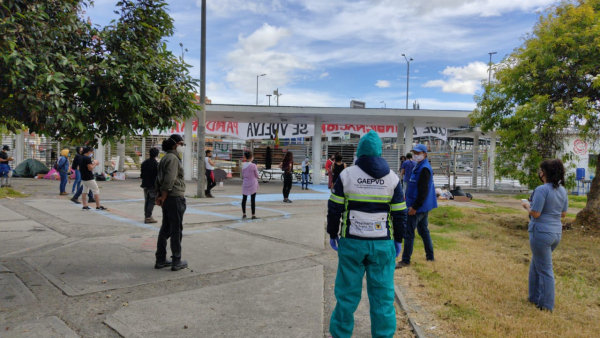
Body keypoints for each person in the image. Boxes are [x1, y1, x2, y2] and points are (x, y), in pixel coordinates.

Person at [327, 130, 407, 338]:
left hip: (352, 243)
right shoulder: (392, 179)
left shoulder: (346, 175)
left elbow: (334, 208)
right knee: (383, 297)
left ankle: (341, 334)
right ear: (380, 153)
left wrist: (332, 233)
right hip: (382, 245)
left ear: (360, 152)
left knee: (346, 295)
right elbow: (400, 214)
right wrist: (398, 239)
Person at [521, 159, 568, 312]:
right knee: (536, 264)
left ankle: (546, 305)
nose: (539, 174)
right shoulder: (562, 190)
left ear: (544, 173)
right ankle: (534, 297)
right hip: (556, 233)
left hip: (540, 233)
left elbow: (535, 213)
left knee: (545, 270)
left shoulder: (541, 190)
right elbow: (563, 214)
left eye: (540, 171)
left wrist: (527, 206)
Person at [397, 144, 438, 268]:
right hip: (421, 206)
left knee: (409, 233)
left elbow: (423, 191)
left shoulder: (424, 168)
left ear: (424, 154)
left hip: (417, 207)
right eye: (414, 152)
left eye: (418, 153)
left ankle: (405, 260)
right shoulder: (419, 166)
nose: (415, 155)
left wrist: (415, 207)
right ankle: (430, 256)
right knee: (424, 231)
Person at [155, 134, 188, 271]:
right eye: (181, 144)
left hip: (168, 197)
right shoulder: (173, 159)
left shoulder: (165, 158)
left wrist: (160, 195)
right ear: (175, 145)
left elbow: (158, 179)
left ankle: (161, 259)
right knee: (175, 230)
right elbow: (170, 179)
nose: (183, 147)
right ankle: (176, 260)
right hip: (174, 197)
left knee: (166, 229)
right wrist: (164, 195)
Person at [141, 147, 159, 224]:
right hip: (153, 185)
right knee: (152, 201)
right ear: (157, 154)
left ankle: (147, 216)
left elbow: (141, 175)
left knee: (147, 201)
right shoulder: (156, 164)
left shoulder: (144, 163)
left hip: (145, 184)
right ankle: (148, 217)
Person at [241, 151, 259, 219]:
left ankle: (244, 213)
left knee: (244, 199)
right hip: (252, 182)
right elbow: (257, 175)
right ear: (251, 157)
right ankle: (253, 215)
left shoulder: (243, 165)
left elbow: (242, 174)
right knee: (253, 199)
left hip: (245, 182)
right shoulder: (253, 165)